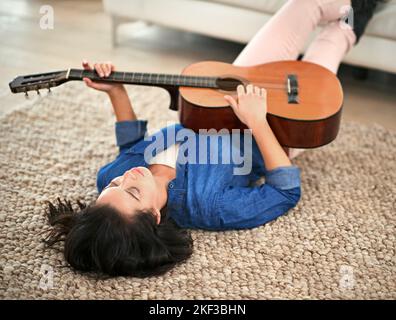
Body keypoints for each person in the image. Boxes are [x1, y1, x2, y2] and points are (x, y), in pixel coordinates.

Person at [44, 0, 380, 277]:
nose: (124, 178)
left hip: (223, 101)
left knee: (305, 4)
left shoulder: (113, 176)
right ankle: (359, 12)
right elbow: (284, 192)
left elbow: (130, 146)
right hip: (277, 125)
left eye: (113, 186)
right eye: (131, 192)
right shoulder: (210, 206)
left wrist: (115, 90)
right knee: (333, 40)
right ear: (155, 217)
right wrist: (258, 122)